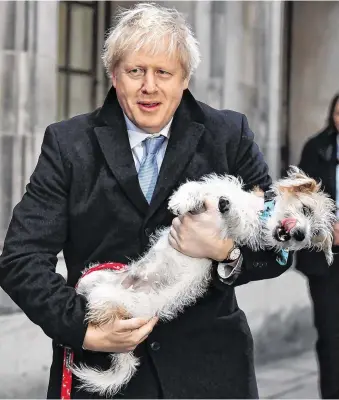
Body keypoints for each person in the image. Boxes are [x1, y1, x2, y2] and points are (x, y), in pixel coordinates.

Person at [0, 3, 293, 399]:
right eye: (135, 71)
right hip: (104, 375)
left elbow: (279, 249)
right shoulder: (68, 144)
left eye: (163, 72)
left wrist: (226, 253)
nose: (149, 87)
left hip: (211, 375)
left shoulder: (229, 135)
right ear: (114, 75)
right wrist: (84, 327)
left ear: (185, 78)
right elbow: (20, 257)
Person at [296, 93, 339, 399]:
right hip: (324, 259)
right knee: (330, 335)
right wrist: (324, 228)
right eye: (338, 113)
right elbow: (299, 201)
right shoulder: (316, 148)